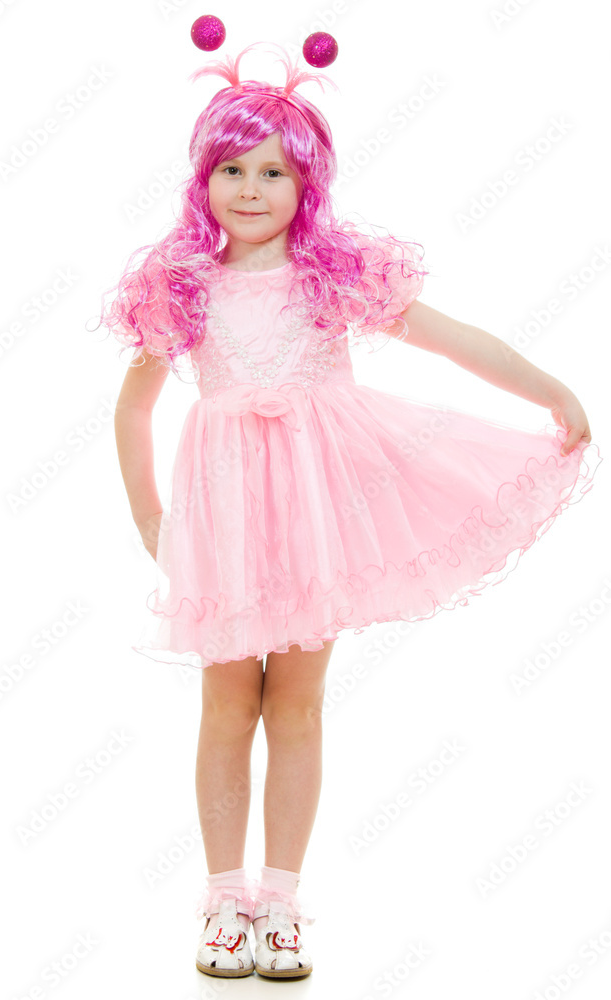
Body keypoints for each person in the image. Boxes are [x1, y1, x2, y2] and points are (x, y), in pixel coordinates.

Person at [97, 40, 602, 979]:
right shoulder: (187, 287)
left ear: (308, 182)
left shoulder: (334, 279)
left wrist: (549, 388)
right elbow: (132, 405)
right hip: (222, 512)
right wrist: (147, 515)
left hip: (321, 512)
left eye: (274, 171)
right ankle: (220, 898)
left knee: (295, 701)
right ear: (203, 180)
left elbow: (452, 340)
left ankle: (281, 897)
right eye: (232, 170)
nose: (251, 189)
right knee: (221, 703)